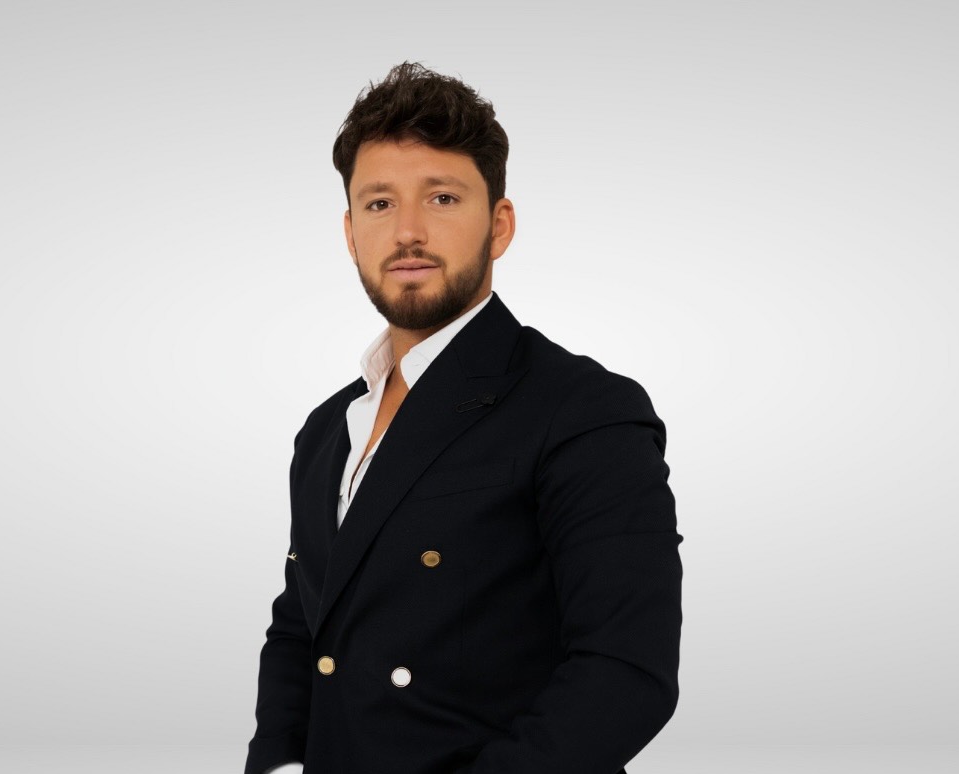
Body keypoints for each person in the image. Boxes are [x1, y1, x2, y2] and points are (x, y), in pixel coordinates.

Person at [245, 61, 683, 774]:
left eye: (443, 197)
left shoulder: (584, 409)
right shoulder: (326, 429)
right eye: (379, 203)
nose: (408, 231)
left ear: (499, 225)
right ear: (351, 232)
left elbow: (624, 674)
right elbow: (299, 632)